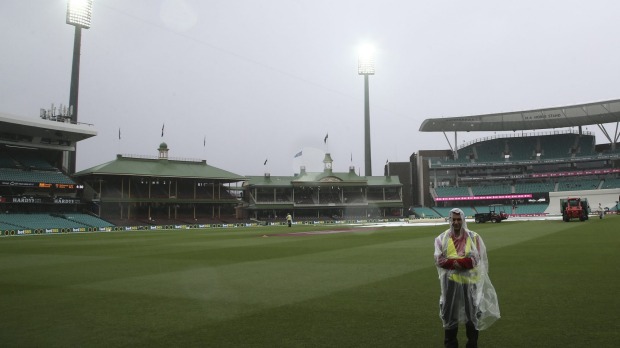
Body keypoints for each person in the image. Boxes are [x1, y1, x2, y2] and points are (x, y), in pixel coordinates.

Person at [434, 208, 500, 348]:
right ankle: (451, 344)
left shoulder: (474, 237)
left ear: (463, 220)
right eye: (454, 219)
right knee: (450, 315)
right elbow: (439, 260)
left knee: (472, 315)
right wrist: (461, 262)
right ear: (450, 220)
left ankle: (472, 344)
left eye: (459, 219)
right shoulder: (441, 238)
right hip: (450, 285)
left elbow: (476, 259)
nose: (456, 222)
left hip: (470, 284)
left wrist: (454, 262)